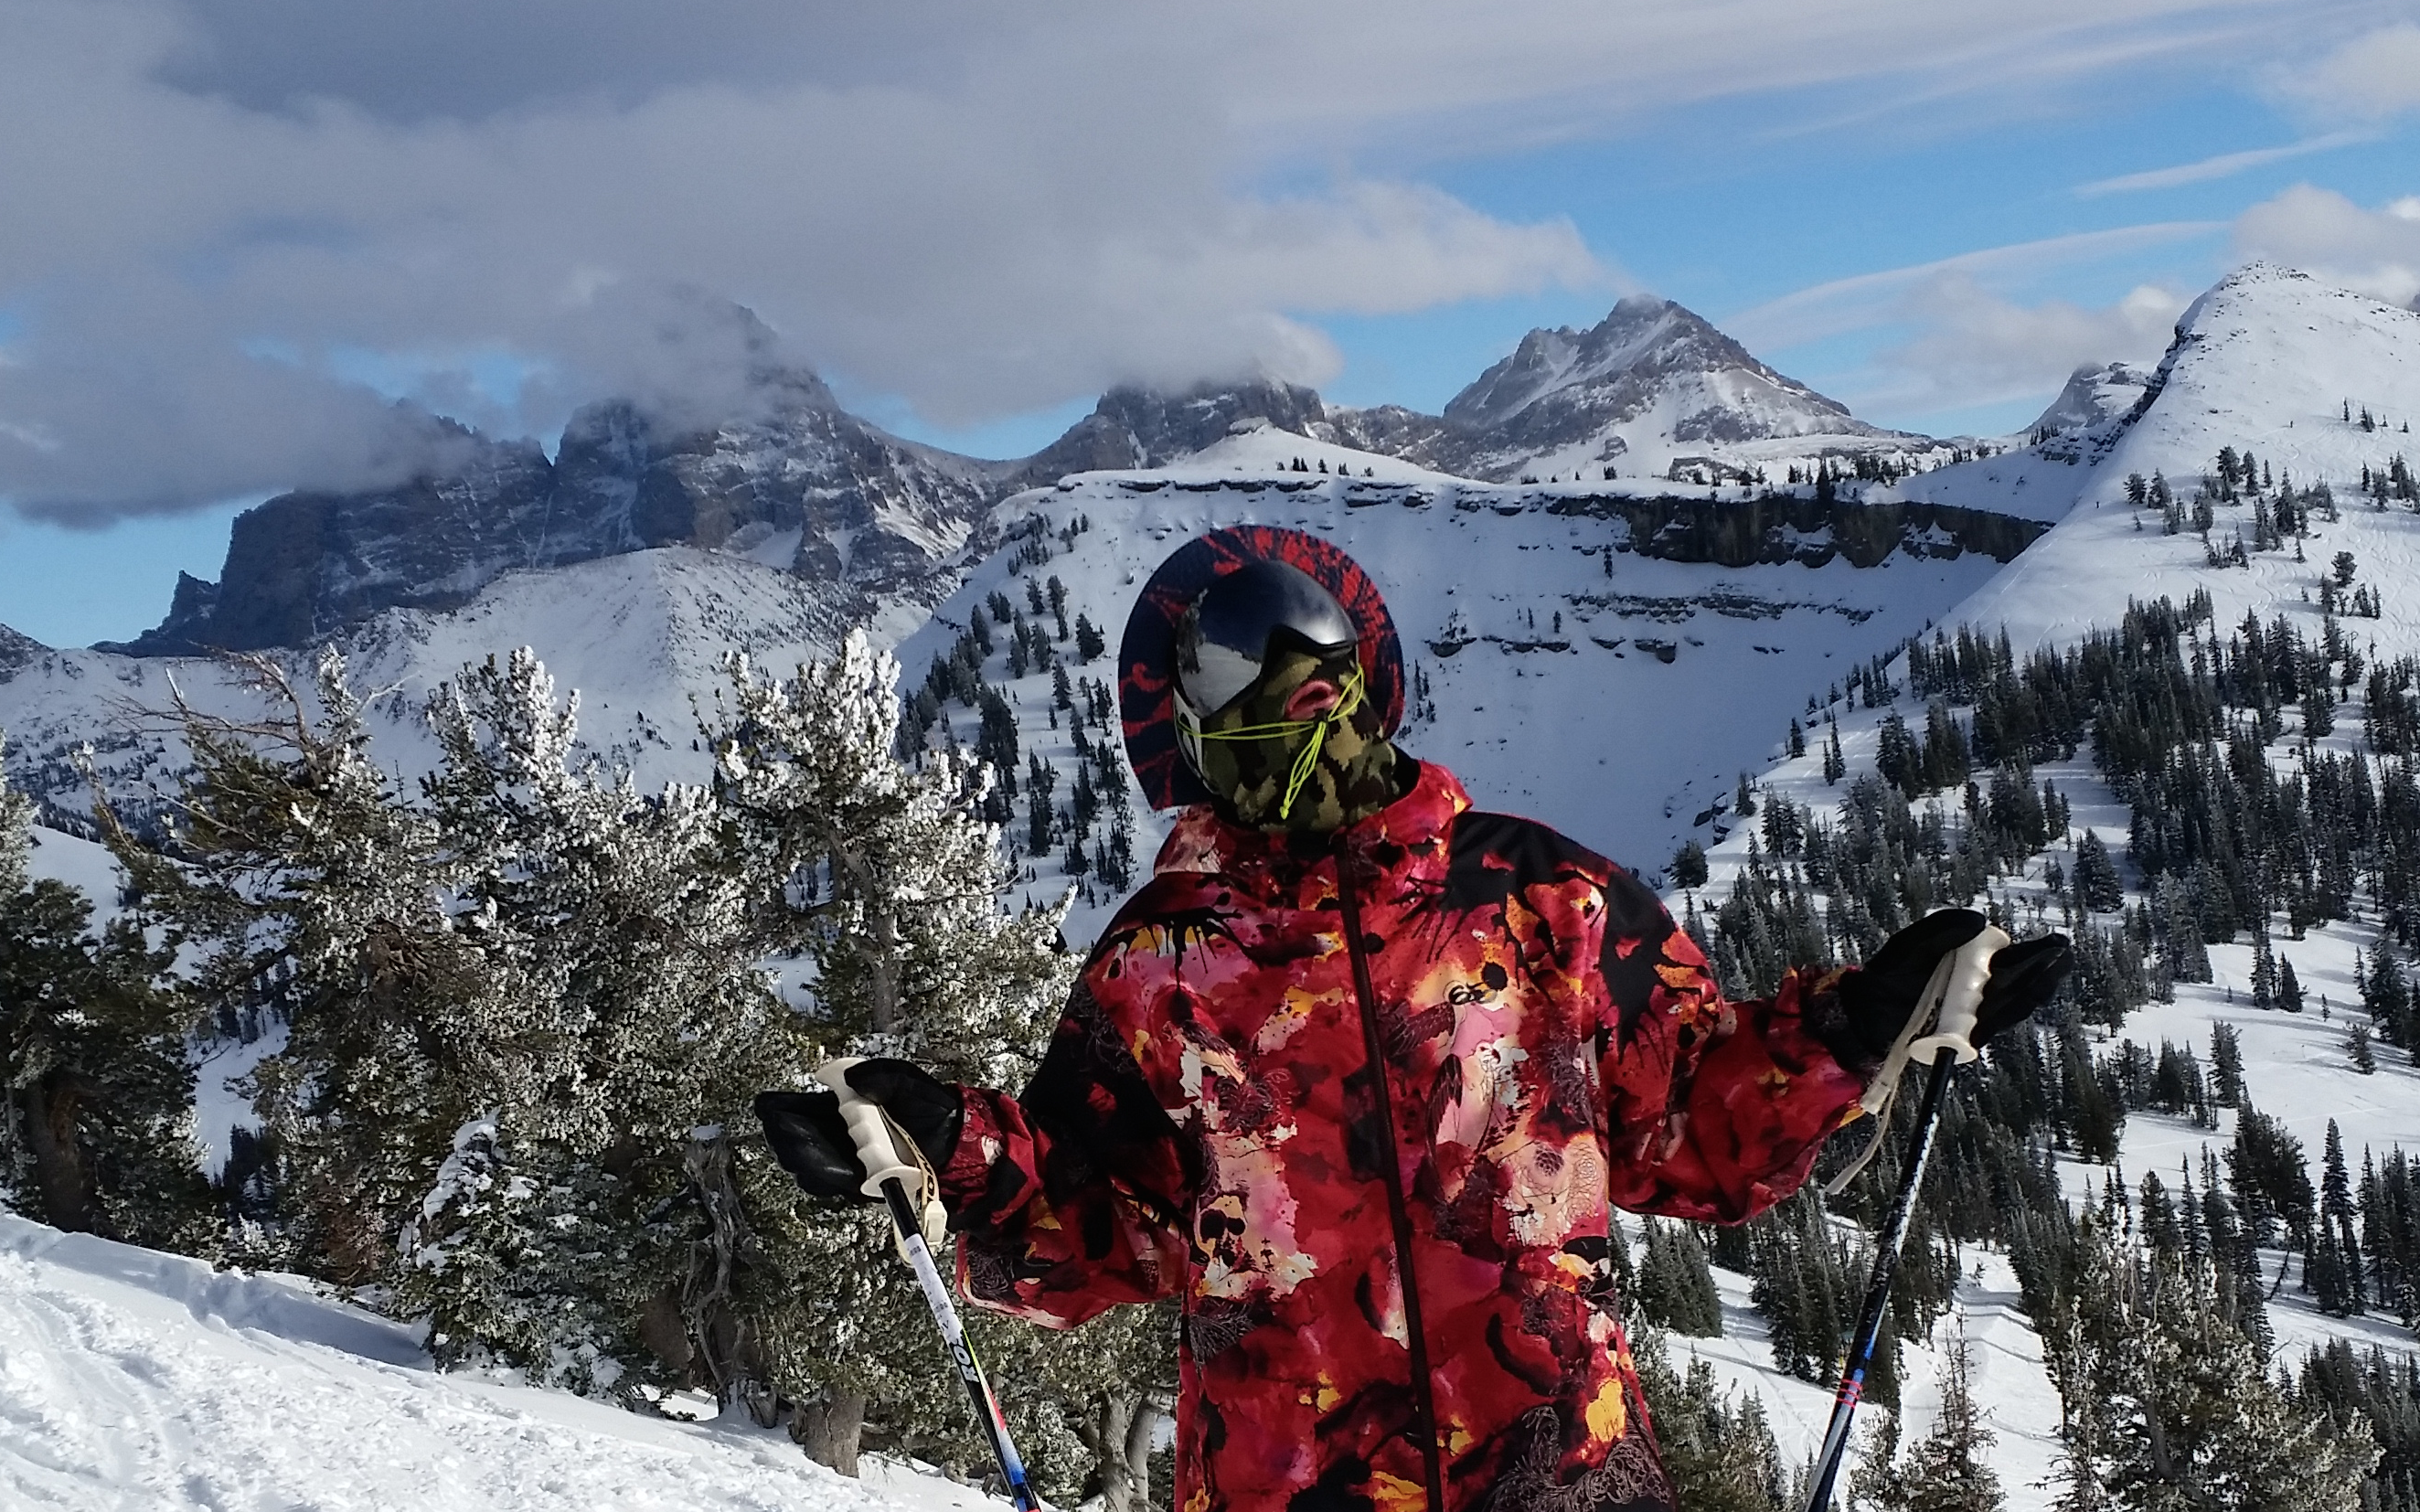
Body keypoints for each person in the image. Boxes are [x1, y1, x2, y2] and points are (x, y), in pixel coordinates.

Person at [758, 526, 2071, 1512]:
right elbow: (1100, 1232)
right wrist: (943, 1153)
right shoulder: (1163, 966)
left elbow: (1688, 1135)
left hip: (1558, 1471)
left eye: (1310, 678)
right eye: (1249, 689)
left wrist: (1860, 1023)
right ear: (1194, 725)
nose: (1296, 716)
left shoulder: (1544, 899)